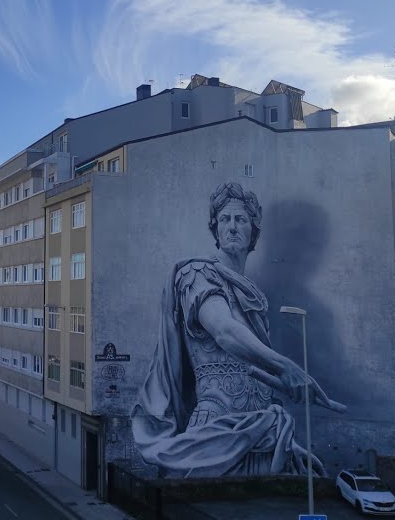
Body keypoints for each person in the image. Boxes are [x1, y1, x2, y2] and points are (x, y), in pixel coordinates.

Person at [131, 182, 345, 477]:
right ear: (216, 230)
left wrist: (288, 444)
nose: (232, 227)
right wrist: (288, 368)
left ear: (253, 232)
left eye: (240, 219)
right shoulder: (196, 273)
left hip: (261, 435)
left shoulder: (255, 296)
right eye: (225, 220)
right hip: (213, 434)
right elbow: (223, 331)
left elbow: (257, 378)